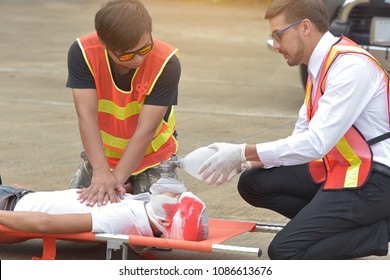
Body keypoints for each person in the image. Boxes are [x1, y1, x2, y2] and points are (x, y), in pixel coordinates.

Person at [197, 0, 390, 259]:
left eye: (278, 35)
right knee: (253, 183)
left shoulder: (350, 67)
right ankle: (336, 228)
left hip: (374, 179)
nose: (275, 45)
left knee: (285, 250)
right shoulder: (320, 65)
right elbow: (300, 139)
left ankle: (378, 232)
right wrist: (248, 163)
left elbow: (316, 144)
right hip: (344, 168)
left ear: (305, 27)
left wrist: (243, 151)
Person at [66, 0, 181, 207]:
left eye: (144, 48)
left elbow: (145, 130)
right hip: (103, 157)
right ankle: (129, 189)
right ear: (104, 43)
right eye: (128, 54)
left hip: (152, 158)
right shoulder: (83, 53)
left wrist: (115, 183)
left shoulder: (167, 64)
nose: (138, 59)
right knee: (73, 214)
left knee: (157, 223)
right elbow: (86, 116)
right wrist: (101, 172)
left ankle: (130, 187)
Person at [0, 178, 208, 244]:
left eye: (176, 199)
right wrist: (122, 189)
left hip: (8, 206)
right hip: (16, 196)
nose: (174, 194)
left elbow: (44, 224)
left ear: (165, 223)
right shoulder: (144, 212)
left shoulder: (121, 219)